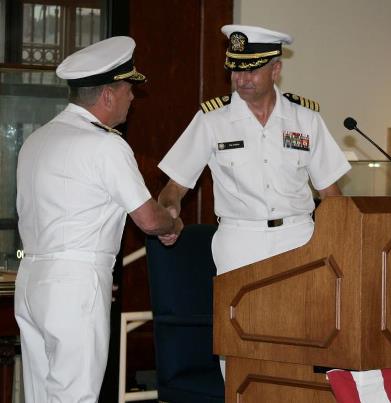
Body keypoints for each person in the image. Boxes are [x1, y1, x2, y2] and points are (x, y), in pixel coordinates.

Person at [14, 36, 183, 403]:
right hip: (74, 284)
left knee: (40, 396)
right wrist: (172, 224)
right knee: (76, 396)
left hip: (30, 280)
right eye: (128, 91)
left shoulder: (37, 140)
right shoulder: (106, 145)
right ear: (108, 95)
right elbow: (148, 219)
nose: (132, 99)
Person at [158, 24, 351, 275]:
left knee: (300, 314)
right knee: (241, 315)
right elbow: (174, 187)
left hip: (299, 237)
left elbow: (331, 193)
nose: (242, 79)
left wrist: (341, 241)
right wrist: (169, 211)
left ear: (276, 70)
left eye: (252, 70)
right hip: (240, 241)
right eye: (236, 70)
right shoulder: (212, 120)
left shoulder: (306, 119)